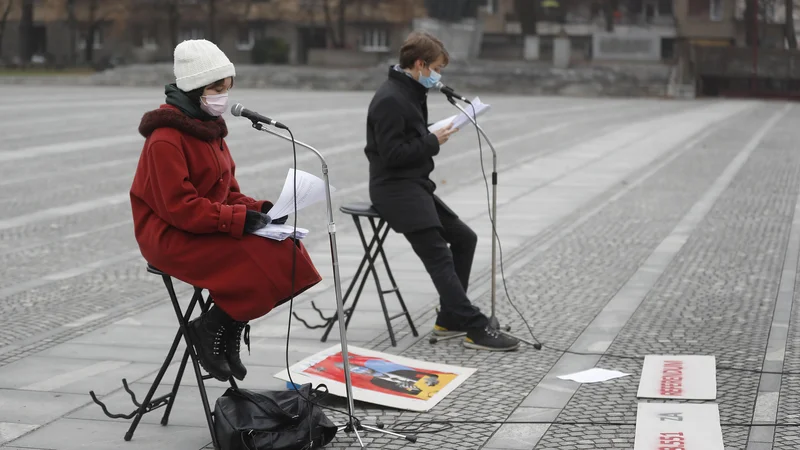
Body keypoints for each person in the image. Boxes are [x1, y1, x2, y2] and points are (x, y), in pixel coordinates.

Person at [129, 39, 322, 382]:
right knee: (254, 257)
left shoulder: (208, 131)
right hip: (169, 235)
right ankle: (212, 328)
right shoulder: (165, 138)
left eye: (227, 87)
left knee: (285, 250)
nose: (223, 96)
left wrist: (262, 210)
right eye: (216, 88)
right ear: (194, 88)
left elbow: (227, 192)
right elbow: (180, 209)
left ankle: (224, 324)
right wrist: (239, 221)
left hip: (201, 224)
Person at [364, 31, 519, 352]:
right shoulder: (391, 98)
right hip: (394, 191)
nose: (439, 75)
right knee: (438, 255)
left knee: (464, 238)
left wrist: (430, 133)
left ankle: (449, 320)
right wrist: (432, 141)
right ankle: (474, 326)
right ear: (419, 65)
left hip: (414, 186)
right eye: (437, 68)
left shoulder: (408, 91)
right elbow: (392, 155)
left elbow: (407, 137)